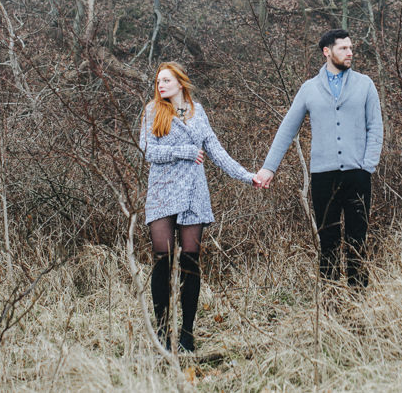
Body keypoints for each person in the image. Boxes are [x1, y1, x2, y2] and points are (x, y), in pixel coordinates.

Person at [140, 61, 262, 352]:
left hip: (193, 194)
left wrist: (249, 176)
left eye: (166, 80)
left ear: (180, 83)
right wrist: (184, 151)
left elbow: (216, 151)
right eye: (158, 81)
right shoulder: (152, 110)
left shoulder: (197, 111)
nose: (160, 85)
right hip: (162, 191)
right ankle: (161, 333)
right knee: (162, 260)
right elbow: (148, 150)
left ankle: (187, 333)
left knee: (191, 263)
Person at [255, 29, 383, 288]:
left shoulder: (365, 84)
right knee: (328, 241)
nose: (350, 53)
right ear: (327, 52)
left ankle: (359, 301)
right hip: (323, 177)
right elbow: (287, 129)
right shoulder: (309, 89)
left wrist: (367, 166)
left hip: (357, 174)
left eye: (351, 48)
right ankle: (331, 302)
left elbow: (376, 127)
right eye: (343, 48)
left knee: (358, 238)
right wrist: (269, 168)